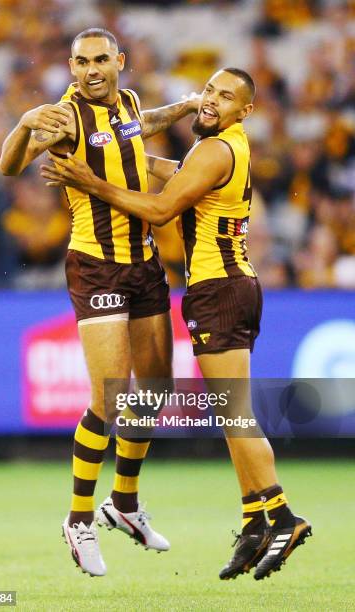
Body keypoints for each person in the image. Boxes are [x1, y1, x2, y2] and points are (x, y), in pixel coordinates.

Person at [41, 67, 313, 581]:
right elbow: (171, 172)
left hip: (220, 290)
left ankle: (281, 515)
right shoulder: (224, 144)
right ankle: (255, 521)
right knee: (229, 414)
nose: (210, 100)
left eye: (225, 96)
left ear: (245, 110)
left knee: (236, 415)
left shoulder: (214, 150)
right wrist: (121, 158)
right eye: (208, 90)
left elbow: (163, 209)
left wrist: (91, 180)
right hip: (229, 287)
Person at [0, 28, 200, 577]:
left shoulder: (129, 103)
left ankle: (125, 504)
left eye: (101, 60)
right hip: (96, 264)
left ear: (119, 62)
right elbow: (10, 166)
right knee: (110, 397)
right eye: (82, 61)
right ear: (70, 64)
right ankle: (79, 519)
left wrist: (183, 106)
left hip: (144, 263)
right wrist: (21, 125)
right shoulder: (63, 117)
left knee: (156, 389)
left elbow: (142, 124)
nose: (91, 70)